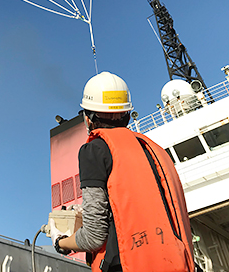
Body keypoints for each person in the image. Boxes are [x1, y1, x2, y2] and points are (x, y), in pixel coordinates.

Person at [50, 71, 195, 272]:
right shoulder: (154, 149)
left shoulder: (94, 150)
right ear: (127, 115)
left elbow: (93, 236)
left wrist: (61, 243)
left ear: (88, 117)